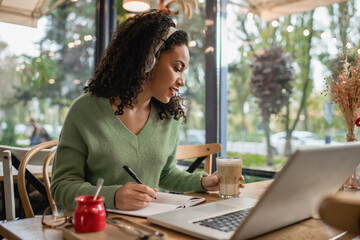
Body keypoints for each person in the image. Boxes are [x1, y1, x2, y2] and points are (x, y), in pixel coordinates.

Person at [50, 10, 244, 211]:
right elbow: (61, 185)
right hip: (93, 226)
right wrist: (112, 196)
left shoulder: (168, 118)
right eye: (177, 68)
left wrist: (202, 182)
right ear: (148, 59)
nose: (182, 81)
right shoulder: (85, 110)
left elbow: (165, 174)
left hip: (149, 225)